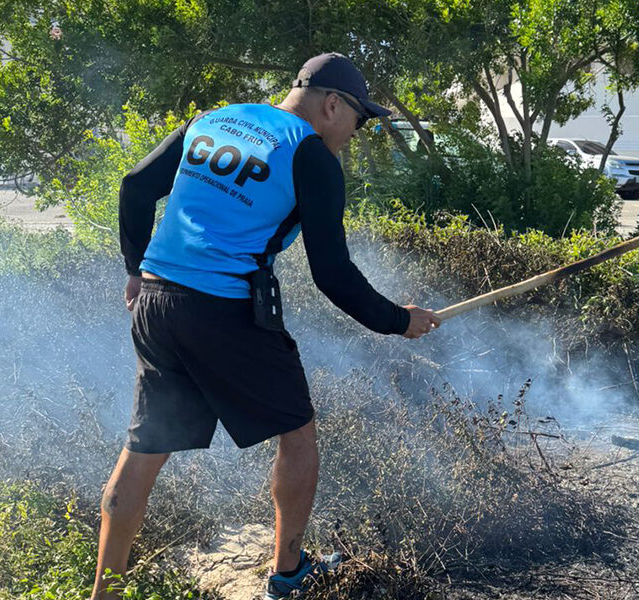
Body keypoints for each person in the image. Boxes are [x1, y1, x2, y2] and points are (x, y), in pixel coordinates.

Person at [92, 52, 441, 600]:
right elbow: (333, 275)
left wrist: (136, 270)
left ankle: (104, 595)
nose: (354, 133)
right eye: (358, 120)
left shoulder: (212, 119)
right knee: (298, 433)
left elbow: (135, 186)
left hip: (157, 304)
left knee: (143, 450)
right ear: (332, 105)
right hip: (223, 310)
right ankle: (288, 573)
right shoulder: (310, 155)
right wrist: (400, 321)